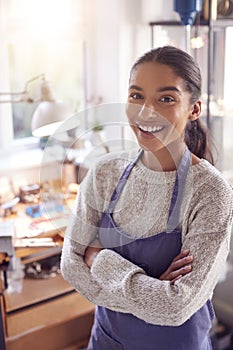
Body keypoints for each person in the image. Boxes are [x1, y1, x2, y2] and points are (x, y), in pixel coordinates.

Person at [61, 45, 233, 350]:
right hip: (107, 341)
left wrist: (99, 259)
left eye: (166, 99)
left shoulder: (211, 192)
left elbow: (176, 308)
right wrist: (150, 293)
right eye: (136, 96)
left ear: (194, 109)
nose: (146, 112)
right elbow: (70, 264)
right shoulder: (104, 173)